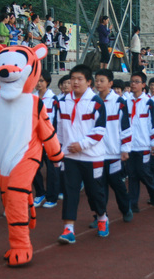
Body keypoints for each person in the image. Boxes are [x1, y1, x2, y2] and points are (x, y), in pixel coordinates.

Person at [56, 64, 109, 243]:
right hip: (70, 156)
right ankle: (68, 228)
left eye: (80, 79)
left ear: (88, 82)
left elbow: (99, 130)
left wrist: (82, 145)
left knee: (94, 192)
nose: (75, 82)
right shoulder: (62, 102)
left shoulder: (96, 102)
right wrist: (59, 152)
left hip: (92, 156)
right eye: (73, 79)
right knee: (70, 191)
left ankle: (102, 217)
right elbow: (59, 129)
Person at [93, 68, 133, 224]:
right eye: (96, 80)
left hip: (114, 152)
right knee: (98, 186)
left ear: (110, 83)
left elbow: (125, 127)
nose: (98, 83)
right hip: (96, 152)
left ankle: (125, 208)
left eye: (102, 81)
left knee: (116, 183)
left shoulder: (119, 102)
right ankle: (101, 216)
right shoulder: (92, 101)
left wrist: (125, 148)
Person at [126, 71, 154, 212]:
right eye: (132, 81)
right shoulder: (126, 101)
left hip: (144, 144)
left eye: (137, 82)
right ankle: (133, 204)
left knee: (143, 172)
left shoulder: (148, 103)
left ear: (143, 85)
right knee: (132, 175)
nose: (133, 84)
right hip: (130, 145)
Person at [32, 70, 60, 209]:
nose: (38, 83)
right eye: (37, 80)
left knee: (51, 170)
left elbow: (56, 121)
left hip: (49, 140)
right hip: (35, 140)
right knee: (33, 167)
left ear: (47, 82)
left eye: (41, 80)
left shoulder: (53, 99)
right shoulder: (31, 98)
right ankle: (40, 193)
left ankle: (52, 197)